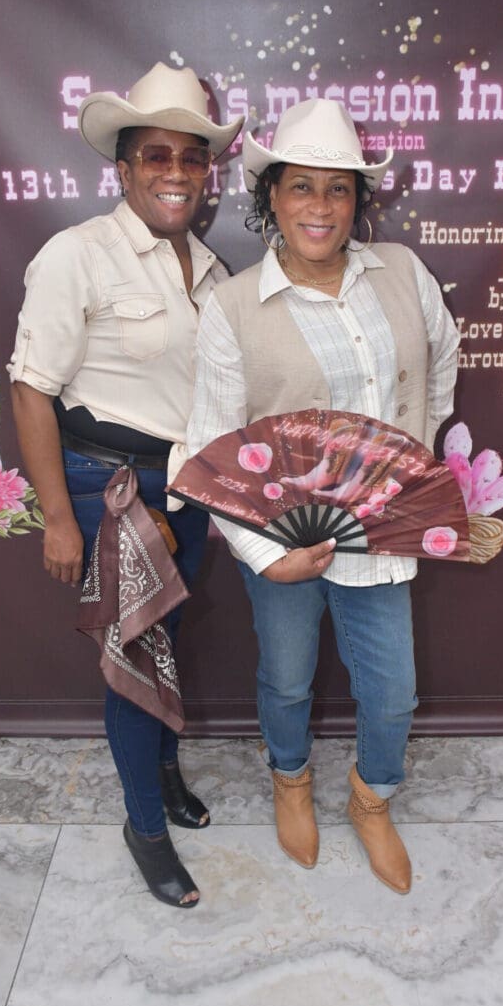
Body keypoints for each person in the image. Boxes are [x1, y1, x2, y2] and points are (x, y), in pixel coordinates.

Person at [188, 98, 459, 895]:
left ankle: (373, 802)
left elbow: (440, 361)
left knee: (393, 695)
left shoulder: (403, 272)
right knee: (287, 679)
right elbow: (213, 445)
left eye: (337, 189)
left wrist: (417, 463)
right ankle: (291, 781)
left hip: (382, 539)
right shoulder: (233, 308)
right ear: (269, 196)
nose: (319, 207)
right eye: (300, 187)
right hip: (283, 545)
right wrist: (267, 555)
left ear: (357, 200)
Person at [8, 62, 243, 908]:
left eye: (191, 157)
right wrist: (55, 519)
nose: (175, 173)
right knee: (135, 659)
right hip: (106, 492)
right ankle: (146, 826)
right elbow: (30, 388)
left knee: (163, 642)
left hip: (183, 491)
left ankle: (164, 777)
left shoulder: (208, 269)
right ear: (124, 167)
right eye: (156, 156)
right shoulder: (78, 254)